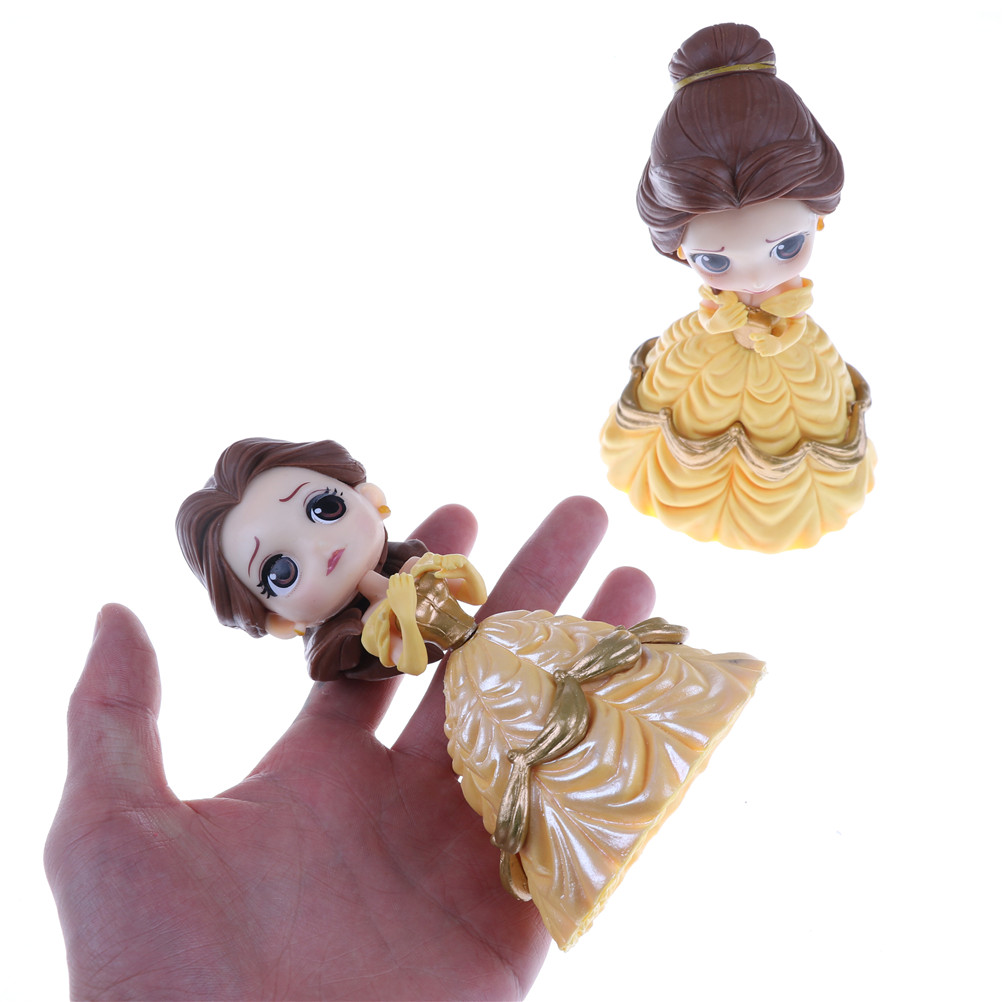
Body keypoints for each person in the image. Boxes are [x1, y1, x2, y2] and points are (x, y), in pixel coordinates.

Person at [45, 496, 657, 1000]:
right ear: (278, 620)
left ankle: (638, 743)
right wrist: (401, 620)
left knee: (587, 700)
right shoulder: (341, 641)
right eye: (281, 572)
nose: (321, 547)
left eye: (324, 508)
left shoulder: (415, 562)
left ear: (369, 498)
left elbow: (469, 585)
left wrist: (431, 586)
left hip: (502, 641)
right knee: (517, 771)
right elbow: (407, 658)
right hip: (472, 689)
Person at [600, 22, 875, 552]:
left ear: (818, 219)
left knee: (805, 424)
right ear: (681, 251)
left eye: (786, 247)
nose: (755, 277)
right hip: (708, 348)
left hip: (793, 357)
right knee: (684, 414)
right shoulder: (705, 320)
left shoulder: (794, 317)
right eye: (714, 260)